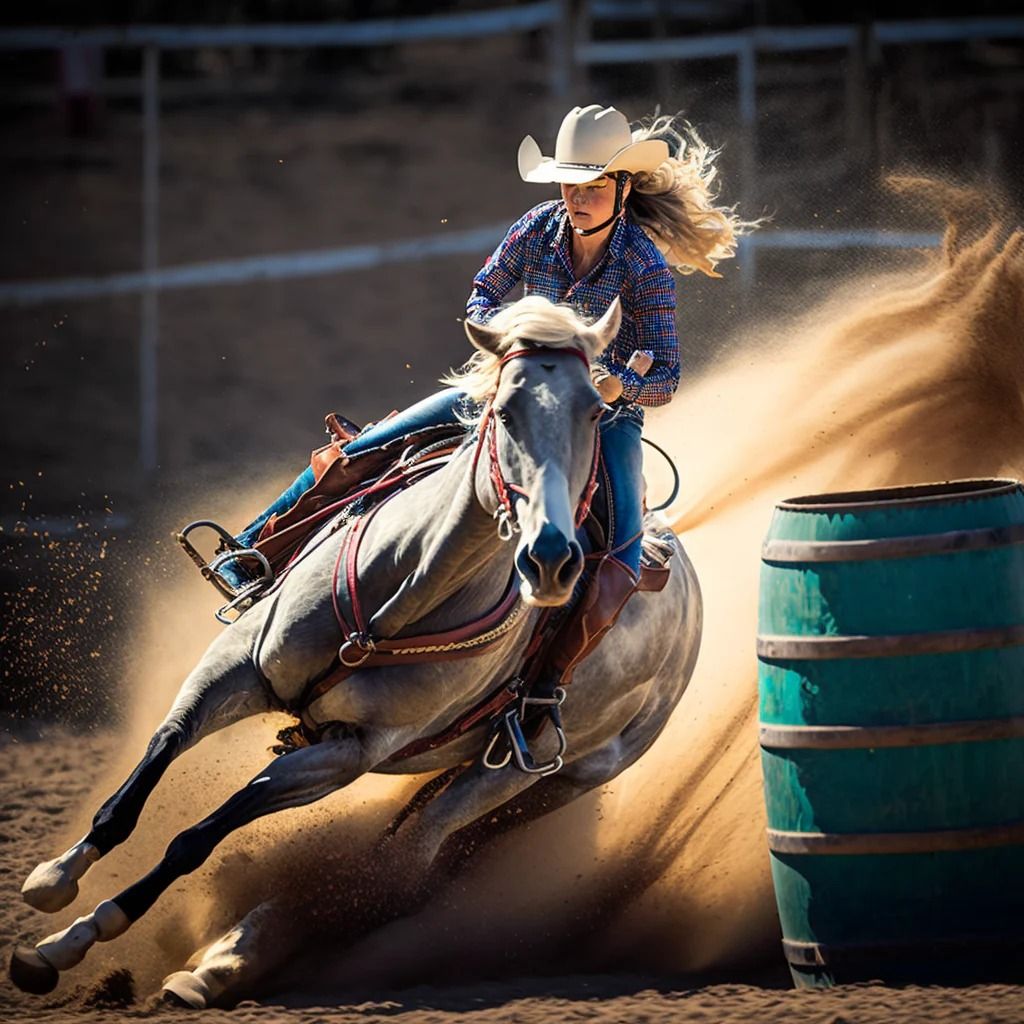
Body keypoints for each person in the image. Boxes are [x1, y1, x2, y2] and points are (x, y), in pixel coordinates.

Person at [211, 104, 749, 662]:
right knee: (371, 444)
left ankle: (549, 686)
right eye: (569, 182)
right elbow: (484, 292)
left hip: (600, 414)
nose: (577, 196)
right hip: (512, 391)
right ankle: (251, 550)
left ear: (621, 187)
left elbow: (665, 376)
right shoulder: (537, 227)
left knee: (622, 555)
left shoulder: (644, 265)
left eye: (591, 184)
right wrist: (505, 335)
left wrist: (619, 389)